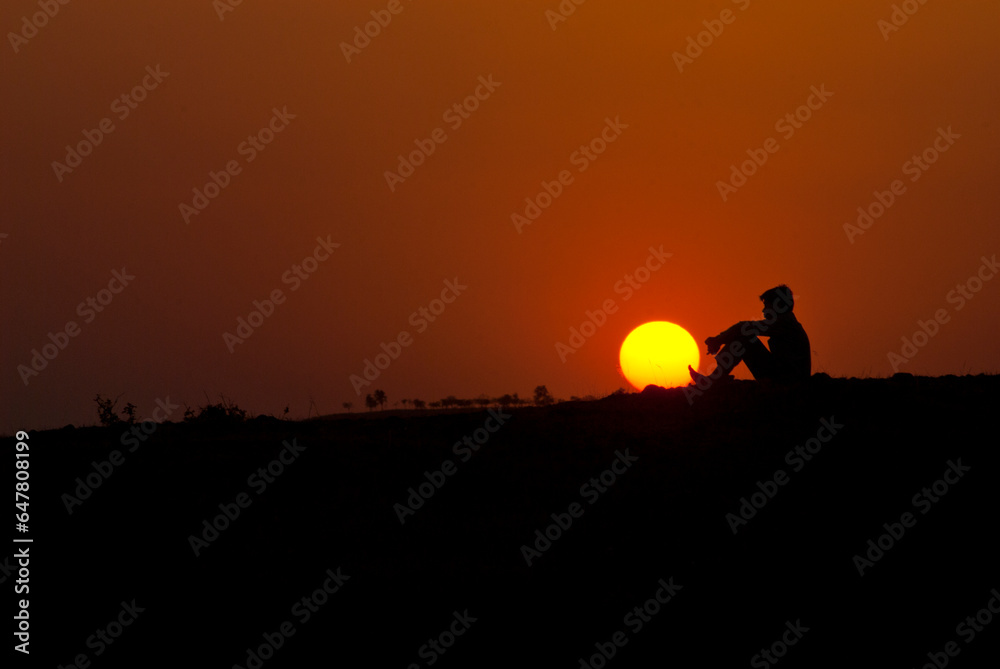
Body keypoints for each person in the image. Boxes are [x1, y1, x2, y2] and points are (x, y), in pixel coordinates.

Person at [689, 285, 810, 386]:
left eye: (766, 306)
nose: (763, 311)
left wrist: (718, 340)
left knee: (744, 340)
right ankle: (716, 378)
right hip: (784, 375)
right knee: (744, 337)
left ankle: (714, 379)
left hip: (789, 381)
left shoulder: (785, 323)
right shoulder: (787, 323)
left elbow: (743, 327)